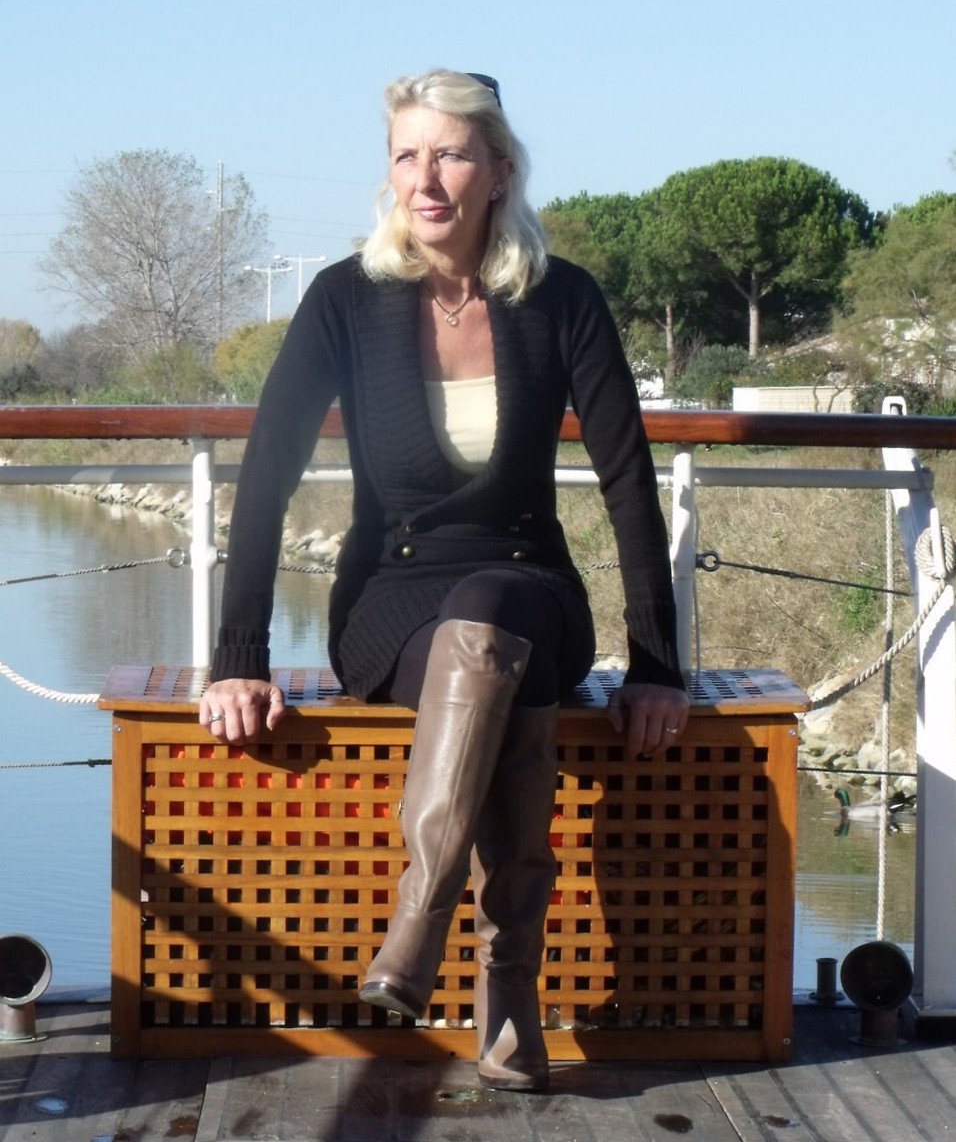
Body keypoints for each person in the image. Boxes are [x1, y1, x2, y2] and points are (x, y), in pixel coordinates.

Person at [200, 68, 689, 1092]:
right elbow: (268, 473)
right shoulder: (344, 298)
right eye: (406, 155)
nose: (425, 179)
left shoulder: (561, 298)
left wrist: (656, 666)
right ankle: (508, 993)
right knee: (485, 657)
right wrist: (238, 656)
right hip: (393, 601)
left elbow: (627, 480)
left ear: (498, 171)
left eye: (451, 154)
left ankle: (417, 926)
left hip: (529, 583)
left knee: (492, 615)